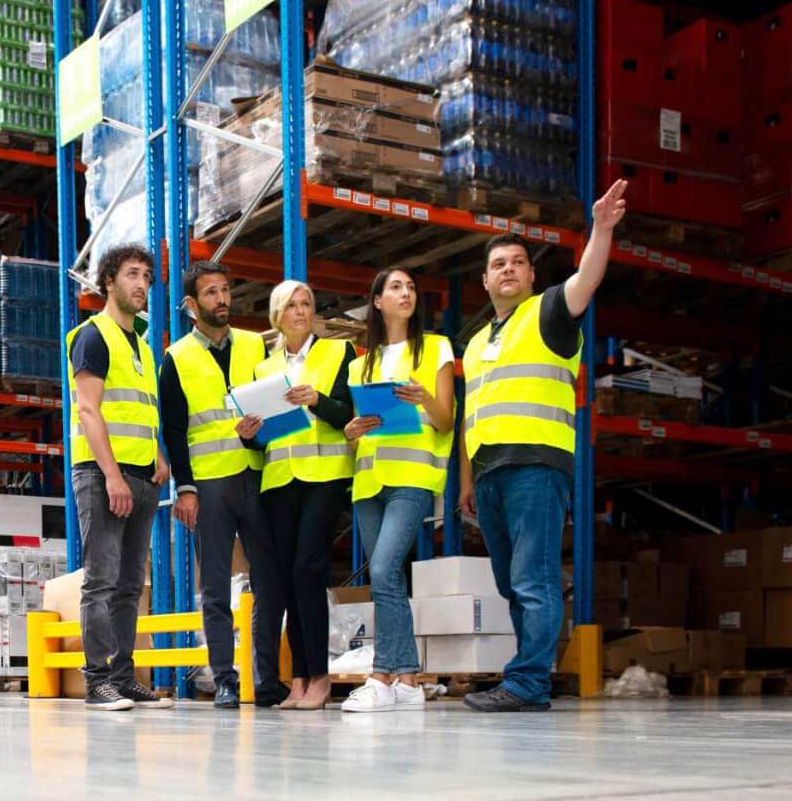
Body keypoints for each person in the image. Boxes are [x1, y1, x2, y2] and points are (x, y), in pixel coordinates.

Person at [458, 179, 629, 712]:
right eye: (499, 264)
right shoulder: (478, 342)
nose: (508, 269)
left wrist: (600, 230)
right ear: (484, 280)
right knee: (511, 584)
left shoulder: (550, 313)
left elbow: (588, 278)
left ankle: (529, 681)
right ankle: (525, 679)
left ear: (531, 275)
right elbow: (471, 414)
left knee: (533, 581)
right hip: (489, 474)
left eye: (518, 262)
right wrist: (467, 481)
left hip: (536, 465)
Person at [160, 260, 289, 709]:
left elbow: (277, 409)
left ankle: (267, 679)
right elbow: (174, 430)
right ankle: (226, 679)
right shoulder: (177, 357)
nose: (222, 300)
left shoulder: (256, 346)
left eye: (226, 291)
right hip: (210, 487)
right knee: (214, 588)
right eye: (211, 293)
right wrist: (186, 488)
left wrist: (262, 434)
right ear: (192, 305)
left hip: (257, 475)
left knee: (269, 581)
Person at [340, 268, 455, 713]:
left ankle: (381, 675)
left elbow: (445, 420)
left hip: (413, 478)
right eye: (396, 287)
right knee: (384, 577)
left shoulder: (436, 348)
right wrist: (350, 432)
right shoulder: (359, 365)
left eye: (410, 287)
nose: (405, 293)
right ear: (377, 301)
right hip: (368, 481)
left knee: (386, 568)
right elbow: (358, 432)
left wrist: (425, 398)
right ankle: (408, 682)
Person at [66, 244, 172, 711]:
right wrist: (111, 476)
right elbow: (89, 410)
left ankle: (125, 678)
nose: (141, 285)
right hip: (103, 473)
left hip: (144, 475)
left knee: (131, 585)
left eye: (147, 277)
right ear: (109, 281)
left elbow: (144, 412)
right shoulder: (93, 337)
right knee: (102, 580)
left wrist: (161, 455)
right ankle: (97, 681)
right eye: (132, 275)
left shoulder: (145, 349)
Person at [241, 280, 354, 710]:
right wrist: (249, 436)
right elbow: (263, 439)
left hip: (324, 475)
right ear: (278, 316)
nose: (301, 311)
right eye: (292, 305)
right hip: (279, 481)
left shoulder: (338, 353)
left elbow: (349, 412)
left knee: (309, 570)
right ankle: (300, 680)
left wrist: (318, 400)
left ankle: (319, 678)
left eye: (307, 303)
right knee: (287, 579)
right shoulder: (263, 370)